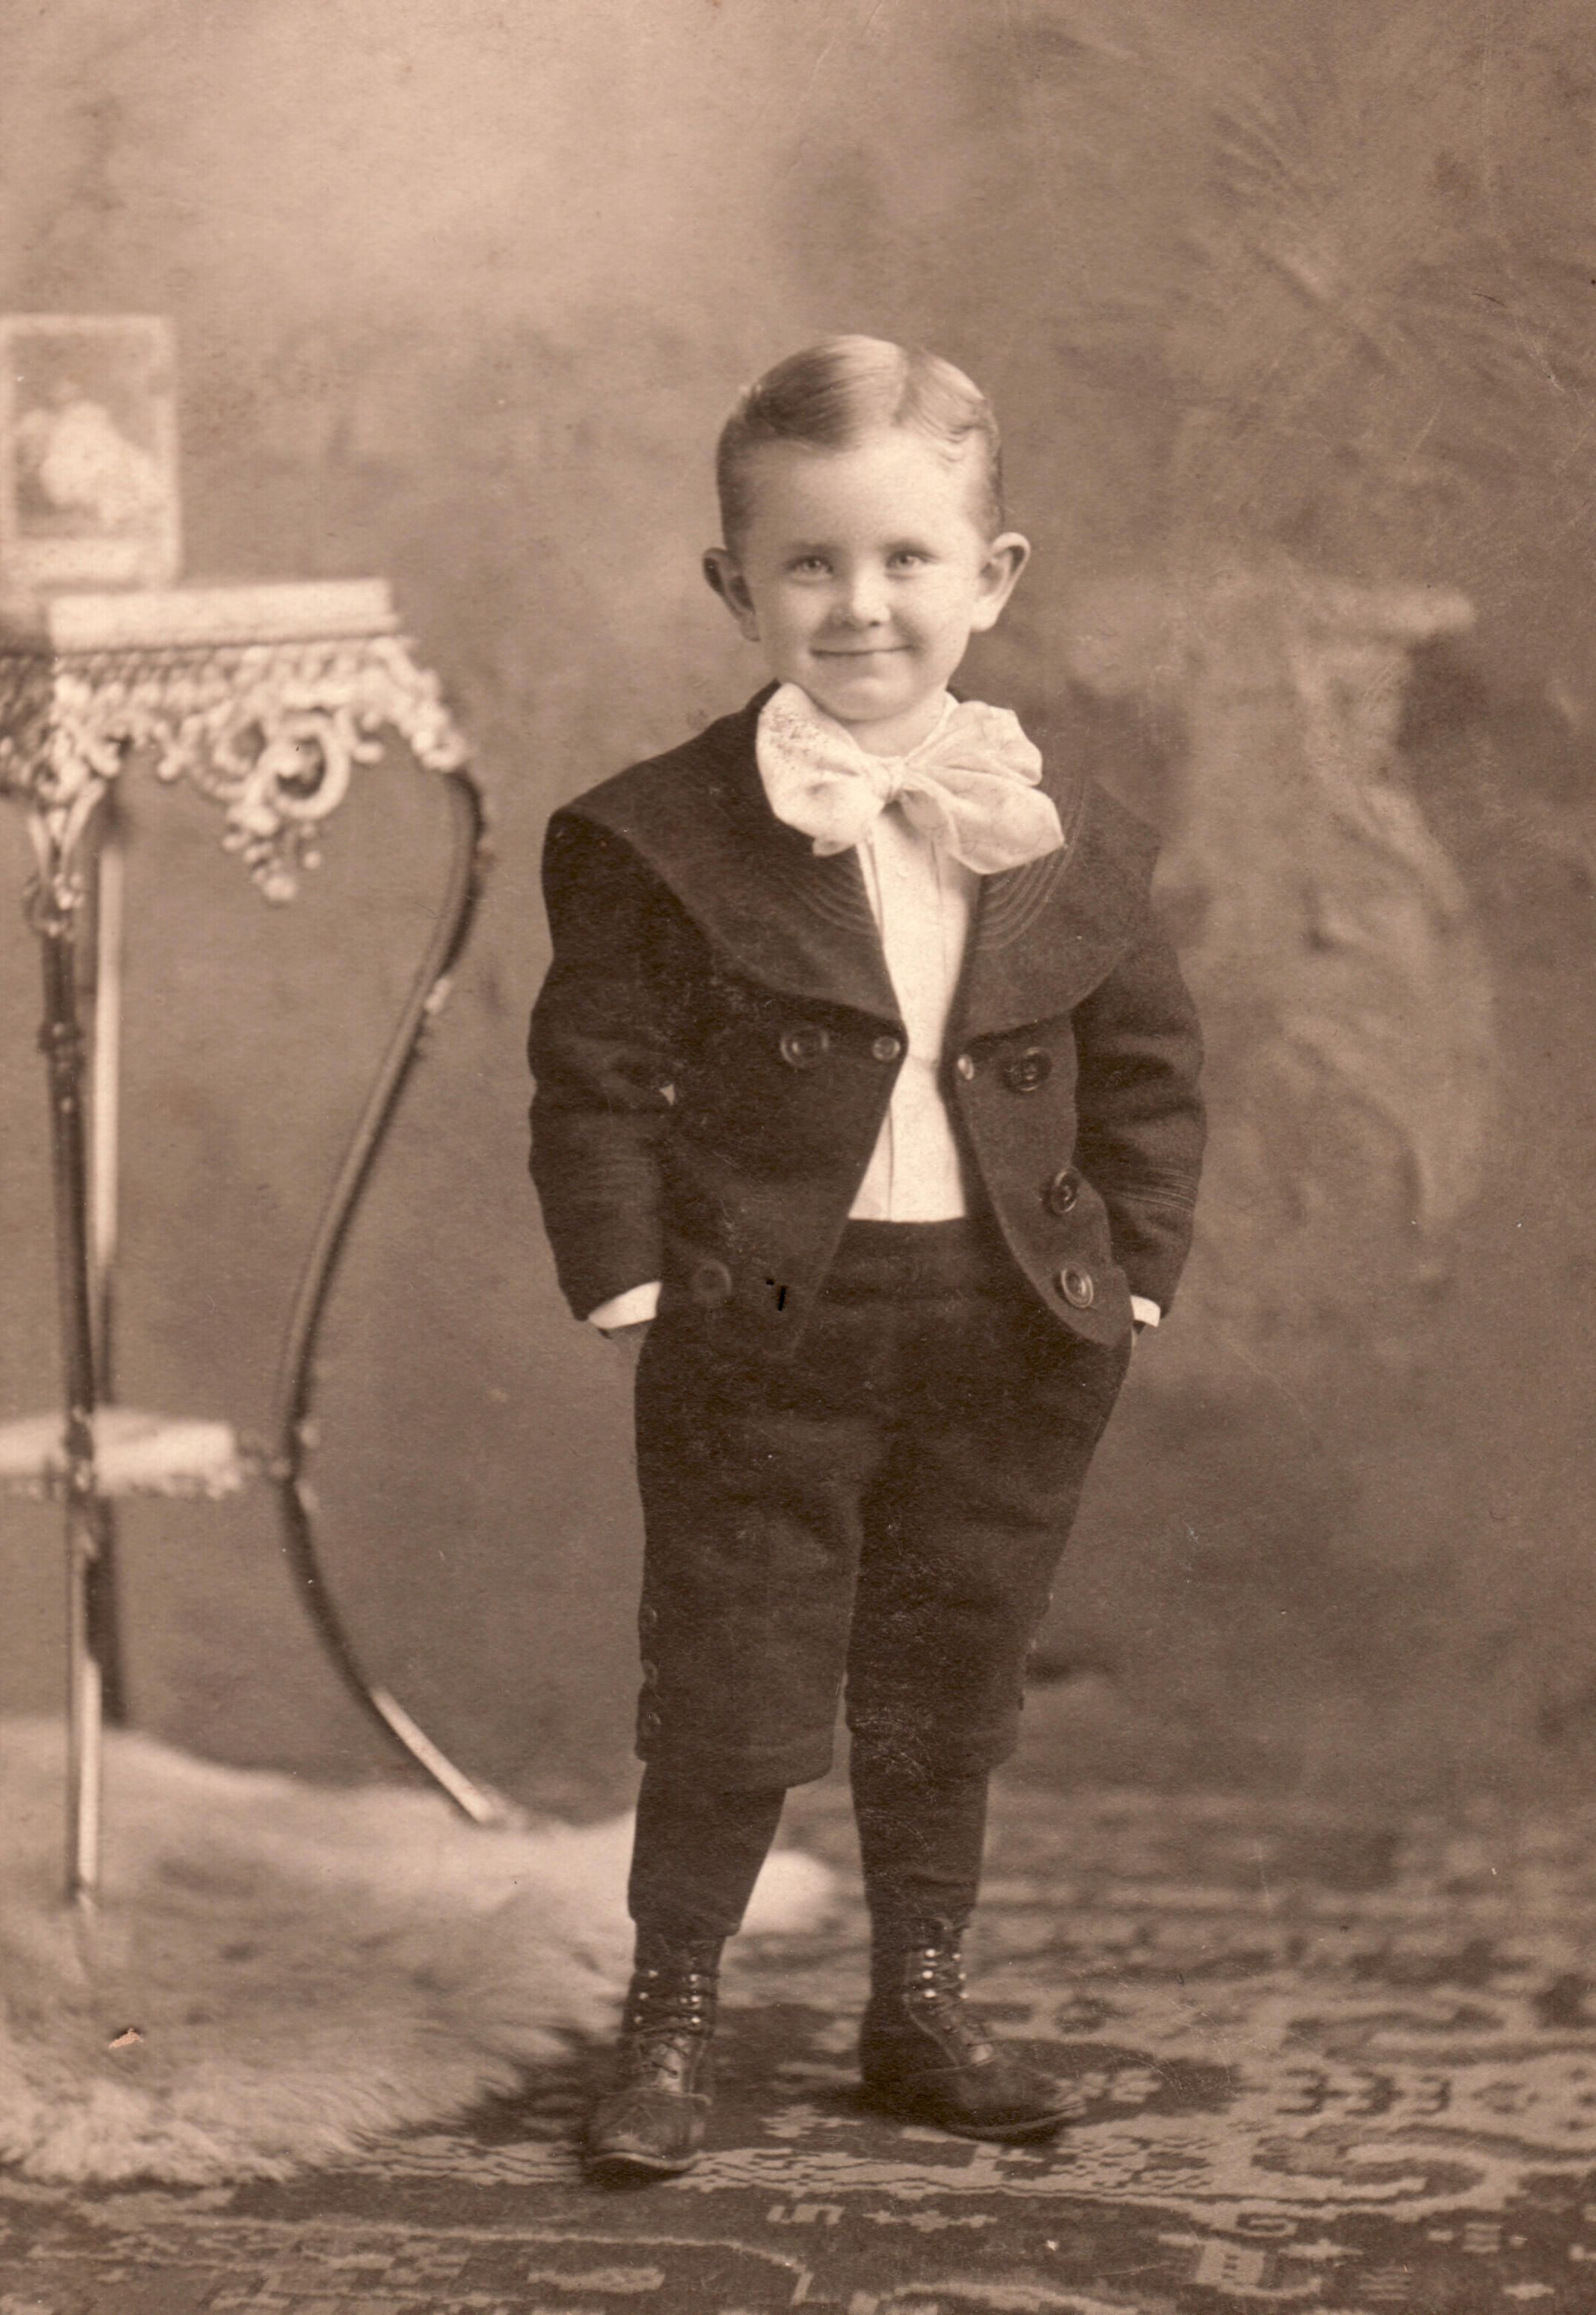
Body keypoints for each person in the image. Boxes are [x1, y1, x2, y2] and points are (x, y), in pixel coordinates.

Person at [528, 335, 1205, 2182]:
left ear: (993, 576)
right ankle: (674, 2010)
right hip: (767, 1329)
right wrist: (635, 1283)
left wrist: (1131, 1272)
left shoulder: (1068, 831)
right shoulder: (661, 835)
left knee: (948, 1675)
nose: (861, 604)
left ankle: (921, 2000)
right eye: (810, 563)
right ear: (732, 583)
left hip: (1006, 1321)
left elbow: (1150, 1072)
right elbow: (594, 1079)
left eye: (909, 558)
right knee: (731, 1678)